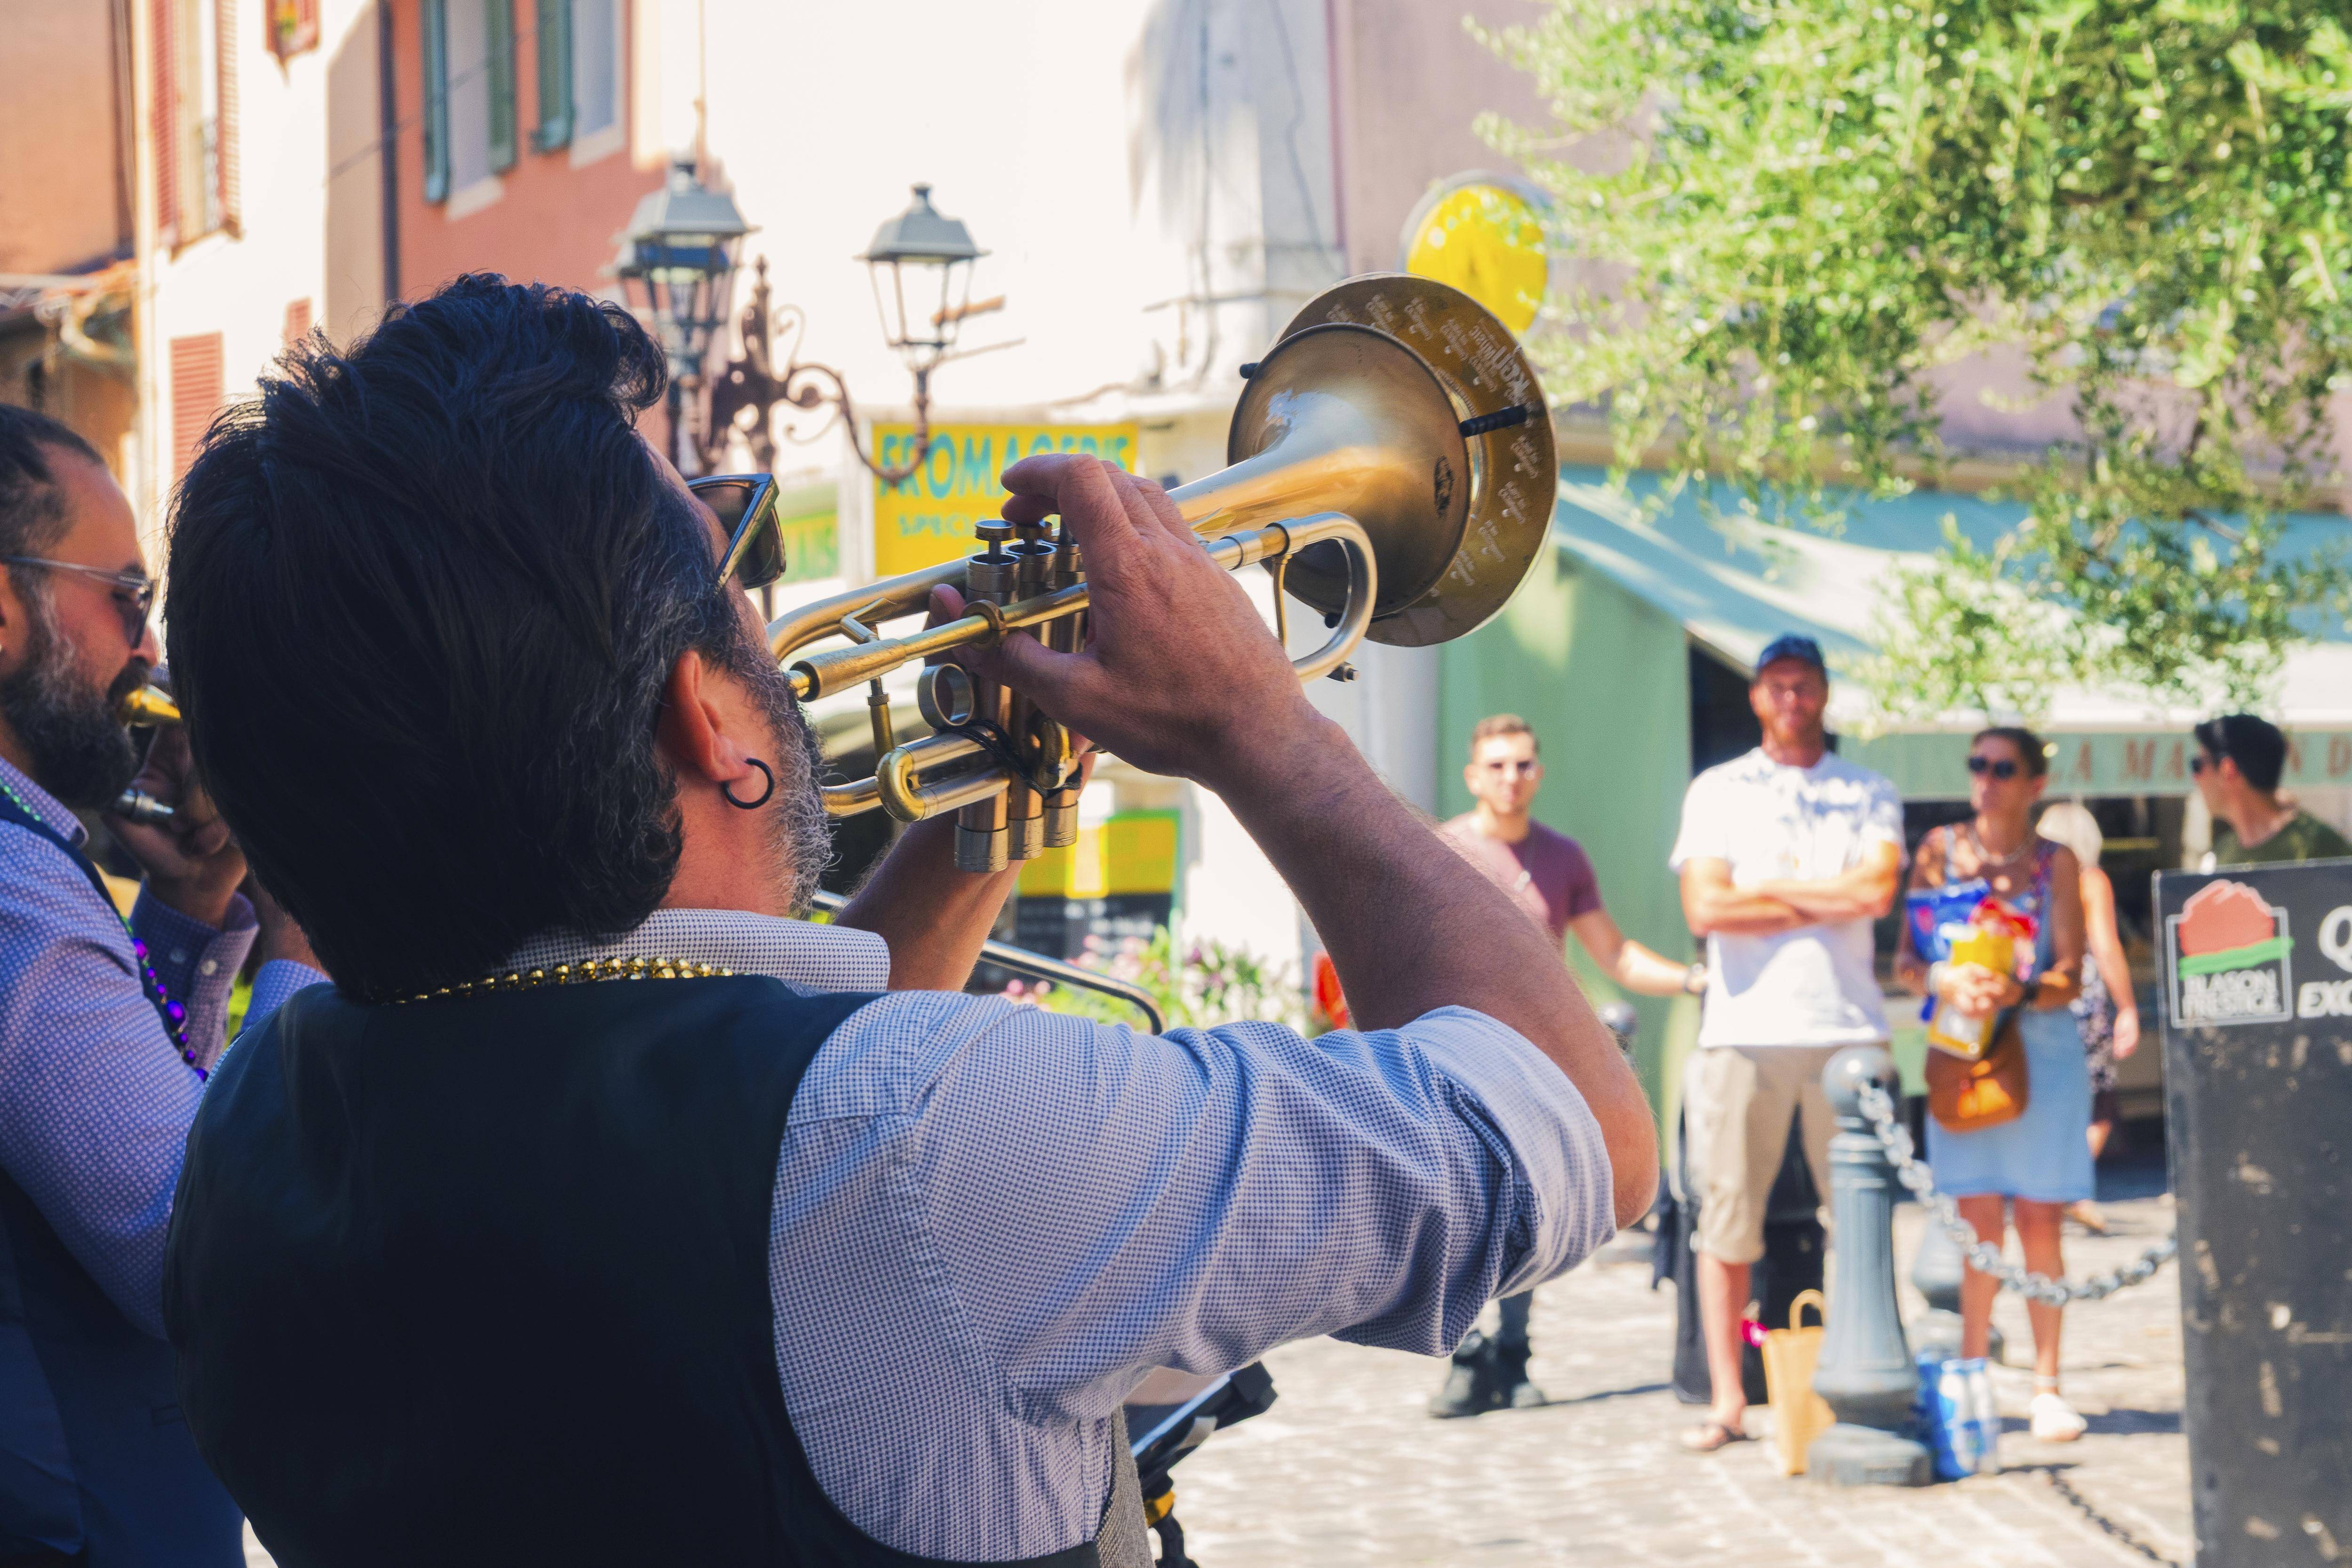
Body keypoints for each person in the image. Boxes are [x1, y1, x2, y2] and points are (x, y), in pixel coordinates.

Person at [157, 278, 1656, 1566]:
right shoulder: (925, 1138)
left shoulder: (247, 1130)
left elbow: (762, 1106)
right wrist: (1261, 729)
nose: (761, 609)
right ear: (703, 714)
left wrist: (983, 822)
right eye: (733, 568)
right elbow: (1576, 1126)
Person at [0, 406, 322, 1566]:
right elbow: (210, 1256)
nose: (148, 650)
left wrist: (186, 918)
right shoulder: (15, 890)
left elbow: (136, 1131)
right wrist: (303, 923)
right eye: (128, 600)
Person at [1428, 713, 1704, 1417]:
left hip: (1534, 1064)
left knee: (1528, 1209)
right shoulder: (1441, 849)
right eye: (1496, 765)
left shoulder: (1562, 858)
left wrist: (1695, 979)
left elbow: (1614, 954)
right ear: (1473, 776)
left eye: (1522, 764)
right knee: (1462, 1210)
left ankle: (1514, 1356)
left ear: (1538, 774)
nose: (1510, 778)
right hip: (1456, 1057)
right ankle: (1465, 1359)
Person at [1669, 633, 1902, 1454]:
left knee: (1861, 1218)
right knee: (1728, 1219)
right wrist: (1826, 898)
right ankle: (1729, 1398)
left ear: (1825, 693)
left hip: (1848, 1028)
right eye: (1777, 685)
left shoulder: (1867, 789)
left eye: (1804, 685)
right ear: (1757, 696)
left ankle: (1858, 1375)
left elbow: (1876, 891)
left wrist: (1765, 890)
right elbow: (1707, 908)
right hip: (1745, 1030)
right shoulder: (1719, 789)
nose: (1792, 699)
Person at [1895, 727, 2091, 1443]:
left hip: (2040, 1050)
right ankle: (1971, 1375)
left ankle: (2046, 1385)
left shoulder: (2055, 862)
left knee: (2039, 1219)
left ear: (2034, 783)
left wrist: (2018, 989)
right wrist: (1944, 978)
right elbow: (1905, 962)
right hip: (1962, 1047)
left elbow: (2070, 975)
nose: (1986, 778)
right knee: (1976, 1221)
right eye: (1977, 764)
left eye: (2003, 767)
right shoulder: (1939, 849)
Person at [2036, 800, 2141, 1230]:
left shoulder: (2032, 878)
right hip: (2082, 995)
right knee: (2100, 1101)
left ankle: (2051, 1190)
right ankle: (2069, 1190)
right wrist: (2128, 1006)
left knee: (2050, 1098)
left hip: (2040, 994)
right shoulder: (2090, 879)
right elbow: (2105, 944)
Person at [2192, 712, 2352, 866]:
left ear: (2228, 770)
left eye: (2197, 765)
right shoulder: (2220, 855)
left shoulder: (2320, 848)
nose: (2195, 777)